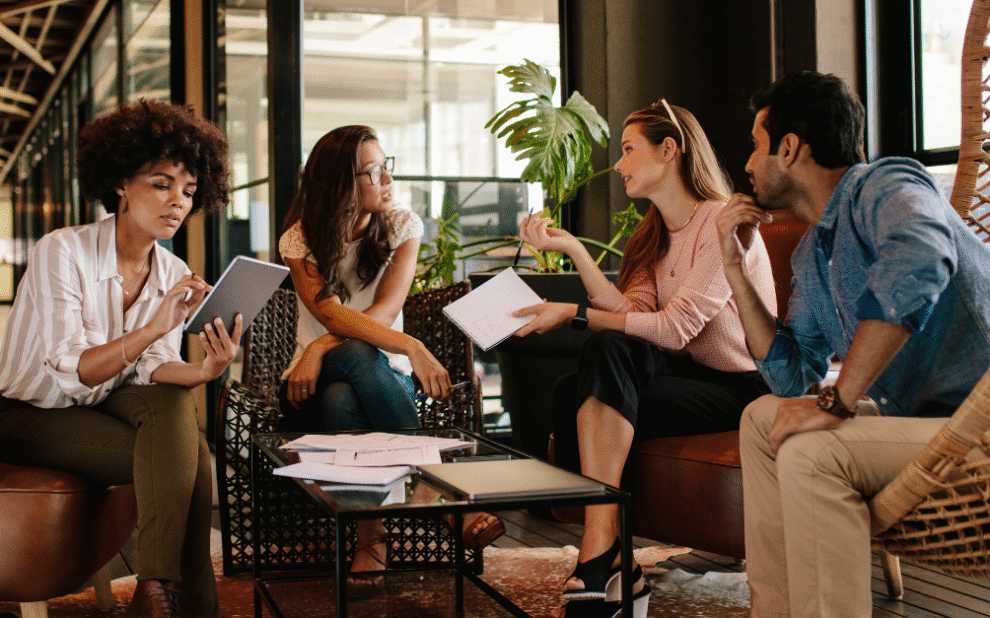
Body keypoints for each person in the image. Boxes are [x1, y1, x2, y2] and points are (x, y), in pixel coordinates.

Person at [715, 71, 990, 618]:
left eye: (755, 145)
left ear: (789, 149)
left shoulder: (885, 185)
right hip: (926, 426)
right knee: (760, 418)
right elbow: (792, 379)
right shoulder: (814, 257)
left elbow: (921, 257)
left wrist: (839, 402)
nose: (746, 163)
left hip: (979, 425)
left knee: (816, 453)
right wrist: (733, 268)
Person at [513, 100, 776, 618]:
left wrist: (575, 314)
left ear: (669, 150)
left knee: (597, 351)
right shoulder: (652, 233)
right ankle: (611, 553)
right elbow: (634, 314)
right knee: (578, 383)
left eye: (629, 149)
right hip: (688, 377)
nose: (619, 163)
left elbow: (676, 328)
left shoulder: (722, 223)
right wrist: (575, 252)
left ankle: (603, 553)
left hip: (741, 386)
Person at [0, 100, 238, 618]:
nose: (179, 201)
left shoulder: (173, 268)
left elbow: (154, 365)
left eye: (190, 191)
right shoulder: (61, 250)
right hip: (28, 412)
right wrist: (155, 323)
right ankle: (184, 603)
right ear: (121, 184)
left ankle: (155, 591)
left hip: (102, 404)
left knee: (176, 408)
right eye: (161, 184)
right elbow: (73, 368)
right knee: (192, 458)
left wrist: (204, 370)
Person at [277, 125, 504, 596]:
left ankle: (371, 539)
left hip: (372, 378)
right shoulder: (298, 240)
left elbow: (381, 311)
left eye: (387, 166)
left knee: (346, 395)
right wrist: (412, 346)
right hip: (306, 386)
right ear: (342, 184)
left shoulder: (403, 226)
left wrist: (322, 344)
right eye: (374, 171)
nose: (388, 179)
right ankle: (439, 495)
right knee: (346, 369)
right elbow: (328, 313)